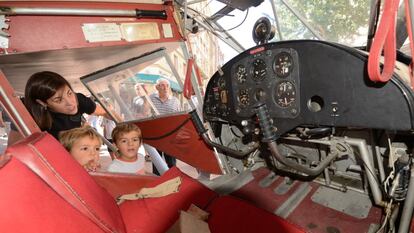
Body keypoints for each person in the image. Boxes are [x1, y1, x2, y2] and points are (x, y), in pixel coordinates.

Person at [24, 71, 109, 139]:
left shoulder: (78, 99)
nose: (70, 103)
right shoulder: (31, 119)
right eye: (58, 100)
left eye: (69, 93)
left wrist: (120, 126)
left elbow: (105, 112)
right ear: (42, 103)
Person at [149, 78, 181, 174]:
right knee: (156, 162)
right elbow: (145, 113)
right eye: (162, 85)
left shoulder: (175, 101)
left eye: (167, 85)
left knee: (171, 162)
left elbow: (178, 118)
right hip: (155, 135)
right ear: (157, 87)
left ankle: (173, 181)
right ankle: (157, 182)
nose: (165, 87)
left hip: (170, 136)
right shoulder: (150, 98)